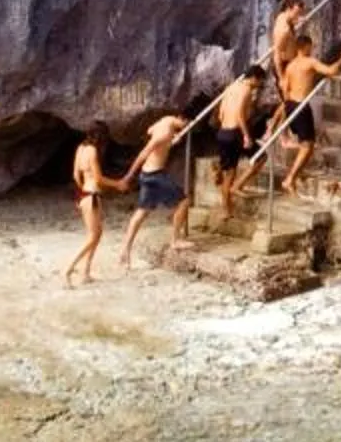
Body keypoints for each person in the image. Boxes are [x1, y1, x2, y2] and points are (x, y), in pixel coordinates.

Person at [115, 113, 194, 270]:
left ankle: (125, 250)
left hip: (147, 175)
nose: (185, 127)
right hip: (155, 175)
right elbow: (143, 154)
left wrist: (171, 141)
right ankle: (175, 240)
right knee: (184, 201)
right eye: (185, 123)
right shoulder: (166, 131)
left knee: (141, 213)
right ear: (180, 118)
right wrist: (128, 177)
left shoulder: (164, 122)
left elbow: (150, 130)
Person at [271, 44, 341, 196]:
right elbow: (332, 71)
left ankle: (292, 175)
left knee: (306, 144)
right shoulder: (310, 62)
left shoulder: (290, 66)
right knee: (308, 146)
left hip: (290, 105)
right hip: (301, 106)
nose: (312, 50)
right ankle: (290, 179)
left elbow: (285, 90)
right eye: (311, 47)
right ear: (306, 47)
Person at [213, 67, 268, 207]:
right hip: (235, 133)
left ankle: (226, 210)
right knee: (261, 157)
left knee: (229, 173)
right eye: (260, 81)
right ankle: (237, 187)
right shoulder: (247, 90)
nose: (260, 85)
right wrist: (246, 136)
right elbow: (239, 115)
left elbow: (221, 113)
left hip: (223, 133)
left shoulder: (231, 87)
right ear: (254, 78)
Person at [62, 131, 110, 286]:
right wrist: (118, 184)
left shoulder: (80, 148)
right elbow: (98, 178)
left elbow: (76, 175)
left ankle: (85, 272)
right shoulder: (93, 151)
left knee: (97, 233)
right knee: (92, 237)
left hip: (84, 193)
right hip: (92, 195)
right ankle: (68, 269)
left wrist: (83, 191)